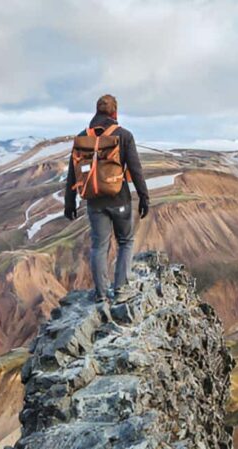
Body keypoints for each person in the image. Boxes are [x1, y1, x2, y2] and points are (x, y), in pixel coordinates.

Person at [64, 94, 149, 302]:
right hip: (120, 200)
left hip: (94, 202)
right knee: (126, 241)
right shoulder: (124, 136)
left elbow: (72, 173)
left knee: (99, 247)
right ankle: (121, 290)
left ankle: (101, 294)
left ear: (96, 112)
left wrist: (70, 202)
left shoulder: (83, 137)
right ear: (115, 113)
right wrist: (144, 197)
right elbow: (136, 170)